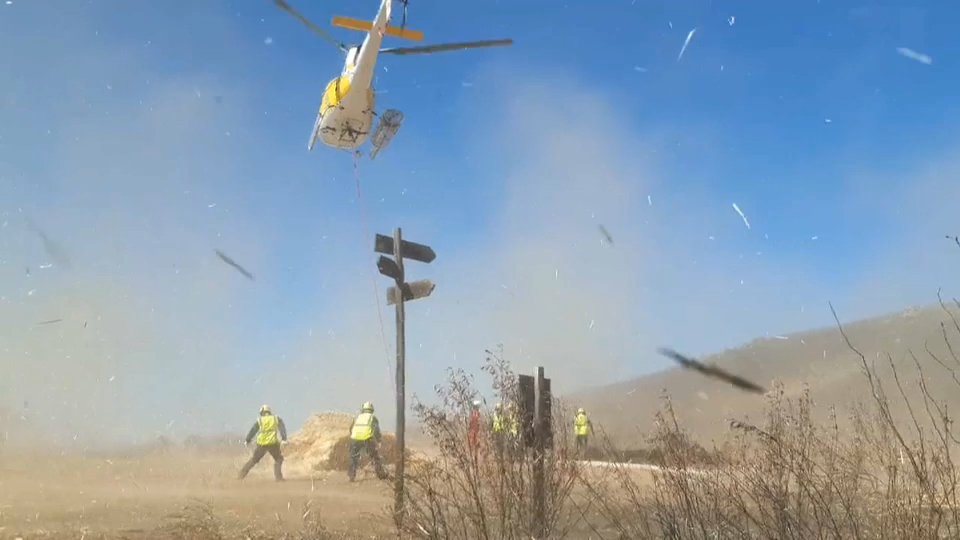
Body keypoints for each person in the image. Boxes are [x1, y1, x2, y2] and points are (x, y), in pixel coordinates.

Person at [238, 404, 288, 481]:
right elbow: (282, 428)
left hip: (261, 445)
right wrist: (284, 438)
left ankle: (240, 476)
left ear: (262, 412)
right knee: (278, 459)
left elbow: (253, 430)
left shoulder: (260, 420)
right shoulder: (275, 418)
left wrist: (247, 440)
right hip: (273, 444)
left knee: (254, 460)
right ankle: (279, 478)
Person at [348, 402, 387, 482]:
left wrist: (354, 437)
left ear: (363, 410)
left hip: (355, 438)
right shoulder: (372, 417)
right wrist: (379, 440)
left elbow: (351, 429)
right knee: (375, 456)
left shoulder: (357, 417)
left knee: (353, 457)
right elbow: (376, 430)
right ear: (371, 410)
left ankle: (351, 476)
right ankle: (380, 474)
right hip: (367, 437)